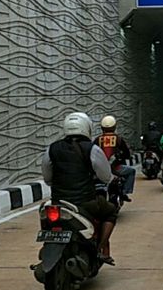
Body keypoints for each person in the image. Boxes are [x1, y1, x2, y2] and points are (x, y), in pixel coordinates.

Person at [42, 112, 118, 265]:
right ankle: (101, 248)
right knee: (110, 211)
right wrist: (110, 179)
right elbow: (105, 176)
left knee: (44, 214)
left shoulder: (52, 149)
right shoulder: (92, 149)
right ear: (86, 128)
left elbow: (47, 177)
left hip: (59, 202)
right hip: (84, 202)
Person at [94, 115, 136, 203]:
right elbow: (126, 153)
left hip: (100, 169)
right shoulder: (119, 139)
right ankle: (124, 192)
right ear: (114, 127)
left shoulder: (98, 140)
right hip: (116, 168)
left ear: (102, 127)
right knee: (131, 171)